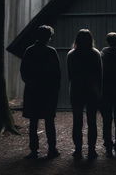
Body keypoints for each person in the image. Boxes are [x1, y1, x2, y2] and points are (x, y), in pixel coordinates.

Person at [20, 25, 61, 159]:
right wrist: (55, 90)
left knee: (33, 122)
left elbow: (23, 72)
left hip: (33, 92)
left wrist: (31, 83)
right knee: (49, 122)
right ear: (48, 37)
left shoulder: (29, 51)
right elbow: (57, 74)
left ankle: (34, 151)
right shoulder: (51, 52)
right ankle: (52, 149)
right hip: (48, 93)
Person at [67, 29, 102, 160]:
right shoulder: (95, 54)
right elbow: (100, 75)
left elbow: (70, 75)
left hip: (76, 91)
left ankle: (78, 150)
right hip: (92, 91)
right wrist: (99, 92)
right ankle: (91, 150)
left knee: (77, 122)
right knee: (92, 122)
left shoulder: (71, 54)